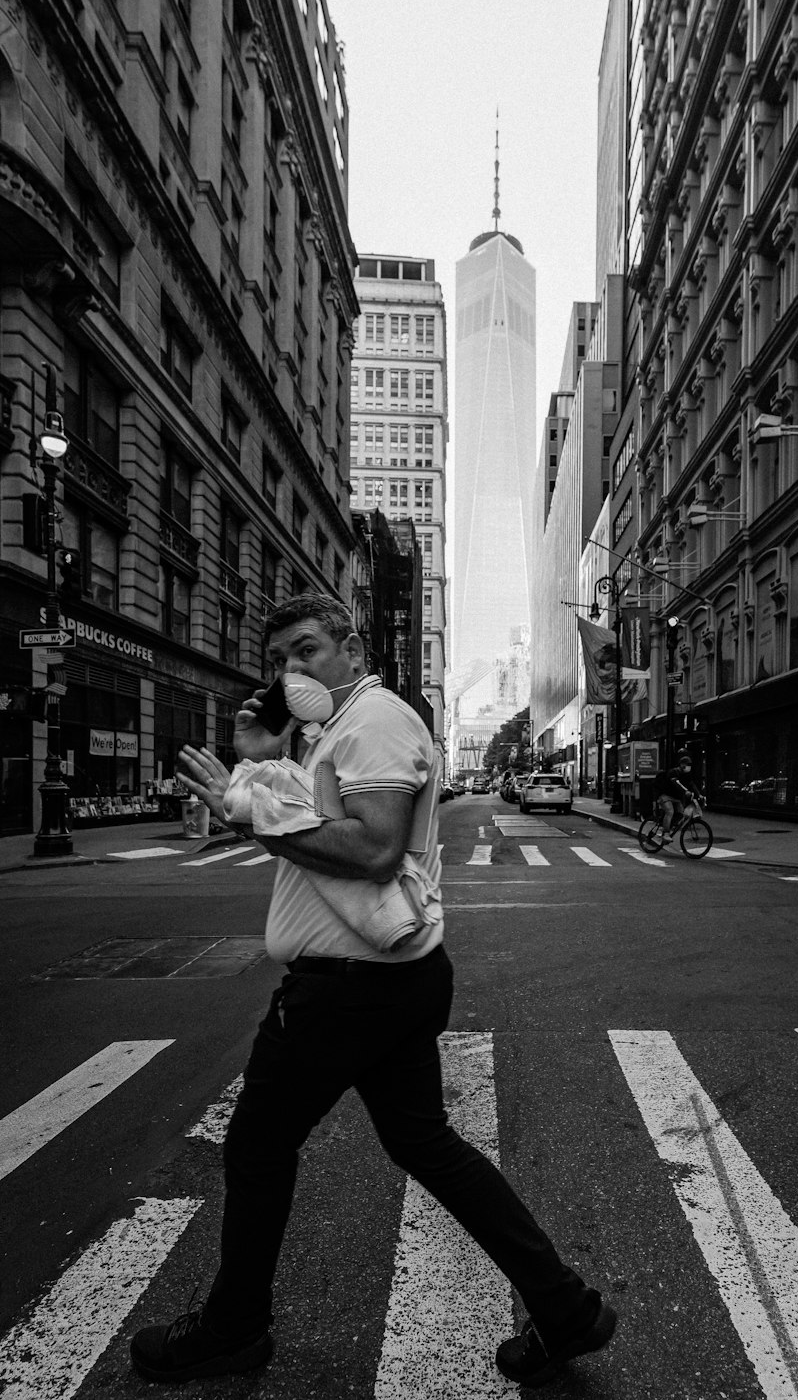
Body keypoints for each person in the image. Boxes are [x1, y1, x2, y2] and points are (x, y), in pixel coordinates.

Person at [130, 592, 616, 1388]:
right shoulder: (335, 732)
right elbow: (311, 819)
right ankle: (563, 1306)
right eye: (280, 660)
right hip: (382, 982)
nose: (292, 671)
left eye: (308, 650)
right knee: (426, 1145)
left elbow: (374, 847)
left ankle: (233, 1327)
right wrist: (257, 761)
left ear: (354, 651)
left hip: (348, 991)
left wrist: (246, 811)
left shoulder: (375, 720)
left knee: (257, 1145)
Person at [654, 753, 700, 832]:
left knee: (681, 814)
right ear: (682, 764)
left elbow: (691, 784)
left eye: (690, 765)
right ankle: (666, 833)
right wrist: (685, 791)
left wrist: (699, 794)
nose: (689, 767)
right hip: (665, 796)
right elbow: (676, 783)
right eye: (687, 764)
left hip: (676, 798)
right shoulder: (673, 772)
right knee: (670, 811)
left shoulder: (686, 775)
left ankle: (669, 825)